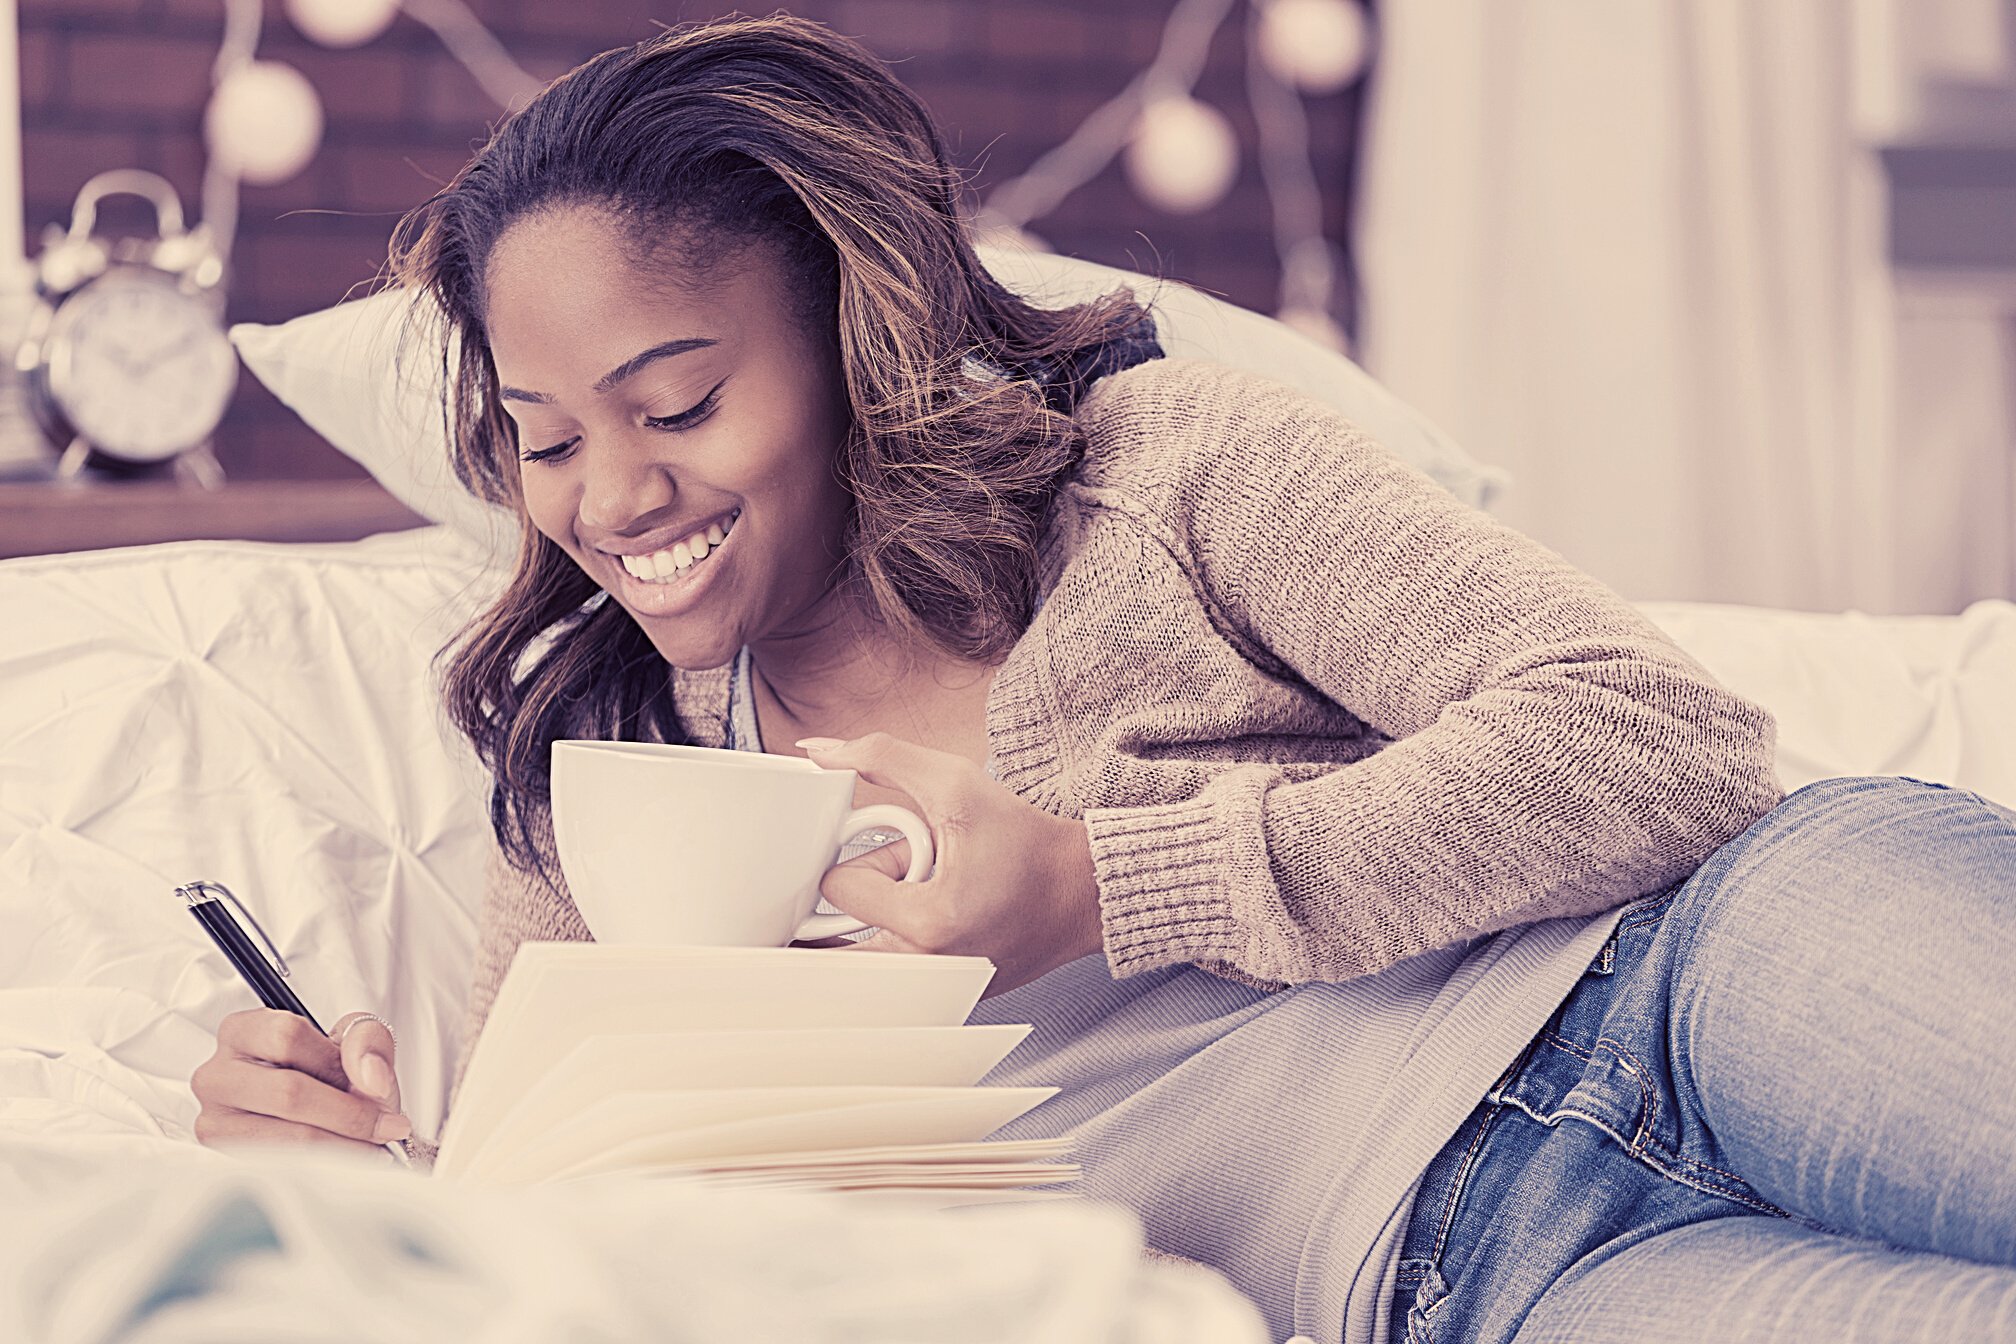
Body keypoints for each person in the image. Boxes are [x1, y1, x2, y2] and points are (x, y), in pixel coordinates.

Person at [188, 16, 2016, 1343]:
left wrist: (1103, 889)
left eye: (677, 406)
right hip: (1467, 1280)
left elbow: (1659, 739)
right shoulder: (608, 777)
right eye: (544, 439)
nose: (614, 497)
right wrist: (366, 1182)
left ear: (852, 338)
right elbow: (592, 1241)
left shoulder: (1151, 470)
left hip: (1692, 973)